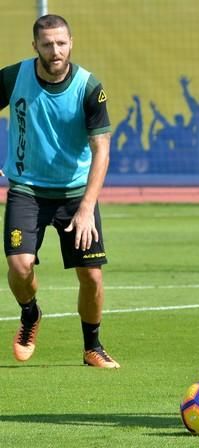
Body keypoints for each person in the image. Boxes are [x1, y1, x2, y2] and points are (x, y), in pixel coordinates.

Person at [0, 14, 119, 368]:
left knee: (92, 276)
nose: (56, 50)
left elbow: (102, 150)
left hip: (74, 193)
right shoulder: (13, 77)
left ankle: (92, 347)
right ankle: (30, 314)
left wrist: (86, 208)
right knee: (20, 267)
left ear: (71, 43)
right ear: (34, 45)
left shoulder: (89, 87)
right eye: (48, 44)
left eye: (61, 43)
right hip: (27, 189)